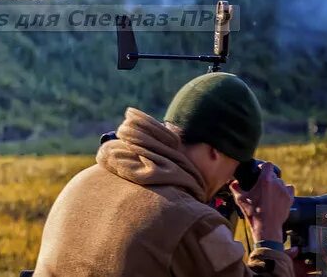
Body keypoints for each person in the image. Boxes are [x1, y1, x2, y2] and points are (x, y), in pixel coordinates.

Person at [33, 72, 307, 277]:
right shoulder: (192, 223)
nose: (230, 180)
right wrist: (269, 234)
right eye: (237, 166)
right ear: (215, 152)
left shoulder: (84, 180)